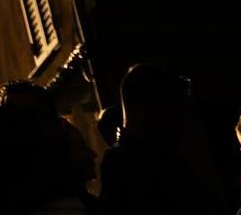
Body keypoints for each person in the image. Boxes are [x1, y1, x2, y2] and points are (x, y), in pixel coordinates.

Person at [98, 64, 231, 214]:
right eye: (174, 111)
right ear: (142, 111)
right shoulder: (129, 169)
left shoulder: (156, 158)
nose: (183, 121)